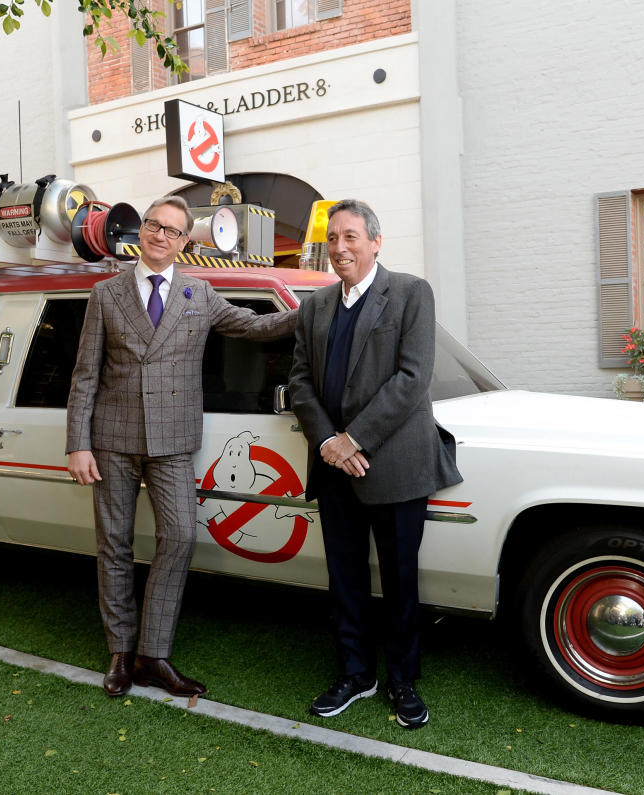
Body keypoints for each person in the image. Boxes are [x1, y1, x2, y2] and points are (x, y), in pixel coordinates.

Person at [67, 195, 298, 697]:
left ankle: (154, 654)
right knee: (114, 546)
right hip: (112, 439)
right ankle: (120, 654)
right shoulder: (106, 294)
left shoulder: (199, 292)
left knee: (179, 536)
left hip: (173, 440)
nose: (161, 236)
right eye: (154, 225)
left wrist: (318, 310)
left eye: (173, 231)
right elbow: (85, 375)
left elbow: (255, 325)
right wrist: (78, 444)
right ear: (141, 231)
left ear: (183, 242)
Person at [289, 199, 462, 729]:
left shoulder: (410, 293)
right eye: (334, 238)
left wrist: (353, 439)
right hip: (334, 465)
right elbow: (299, 381)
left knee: (400, 580)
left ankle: (403, 681)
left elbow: (412, 379)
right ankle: (355, 674)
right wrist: (328, 442)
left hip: (393, 462)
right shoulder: (314, 306)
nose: (341, 248)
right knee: (344, 579)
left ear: (375, 241)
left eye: (352, 237)